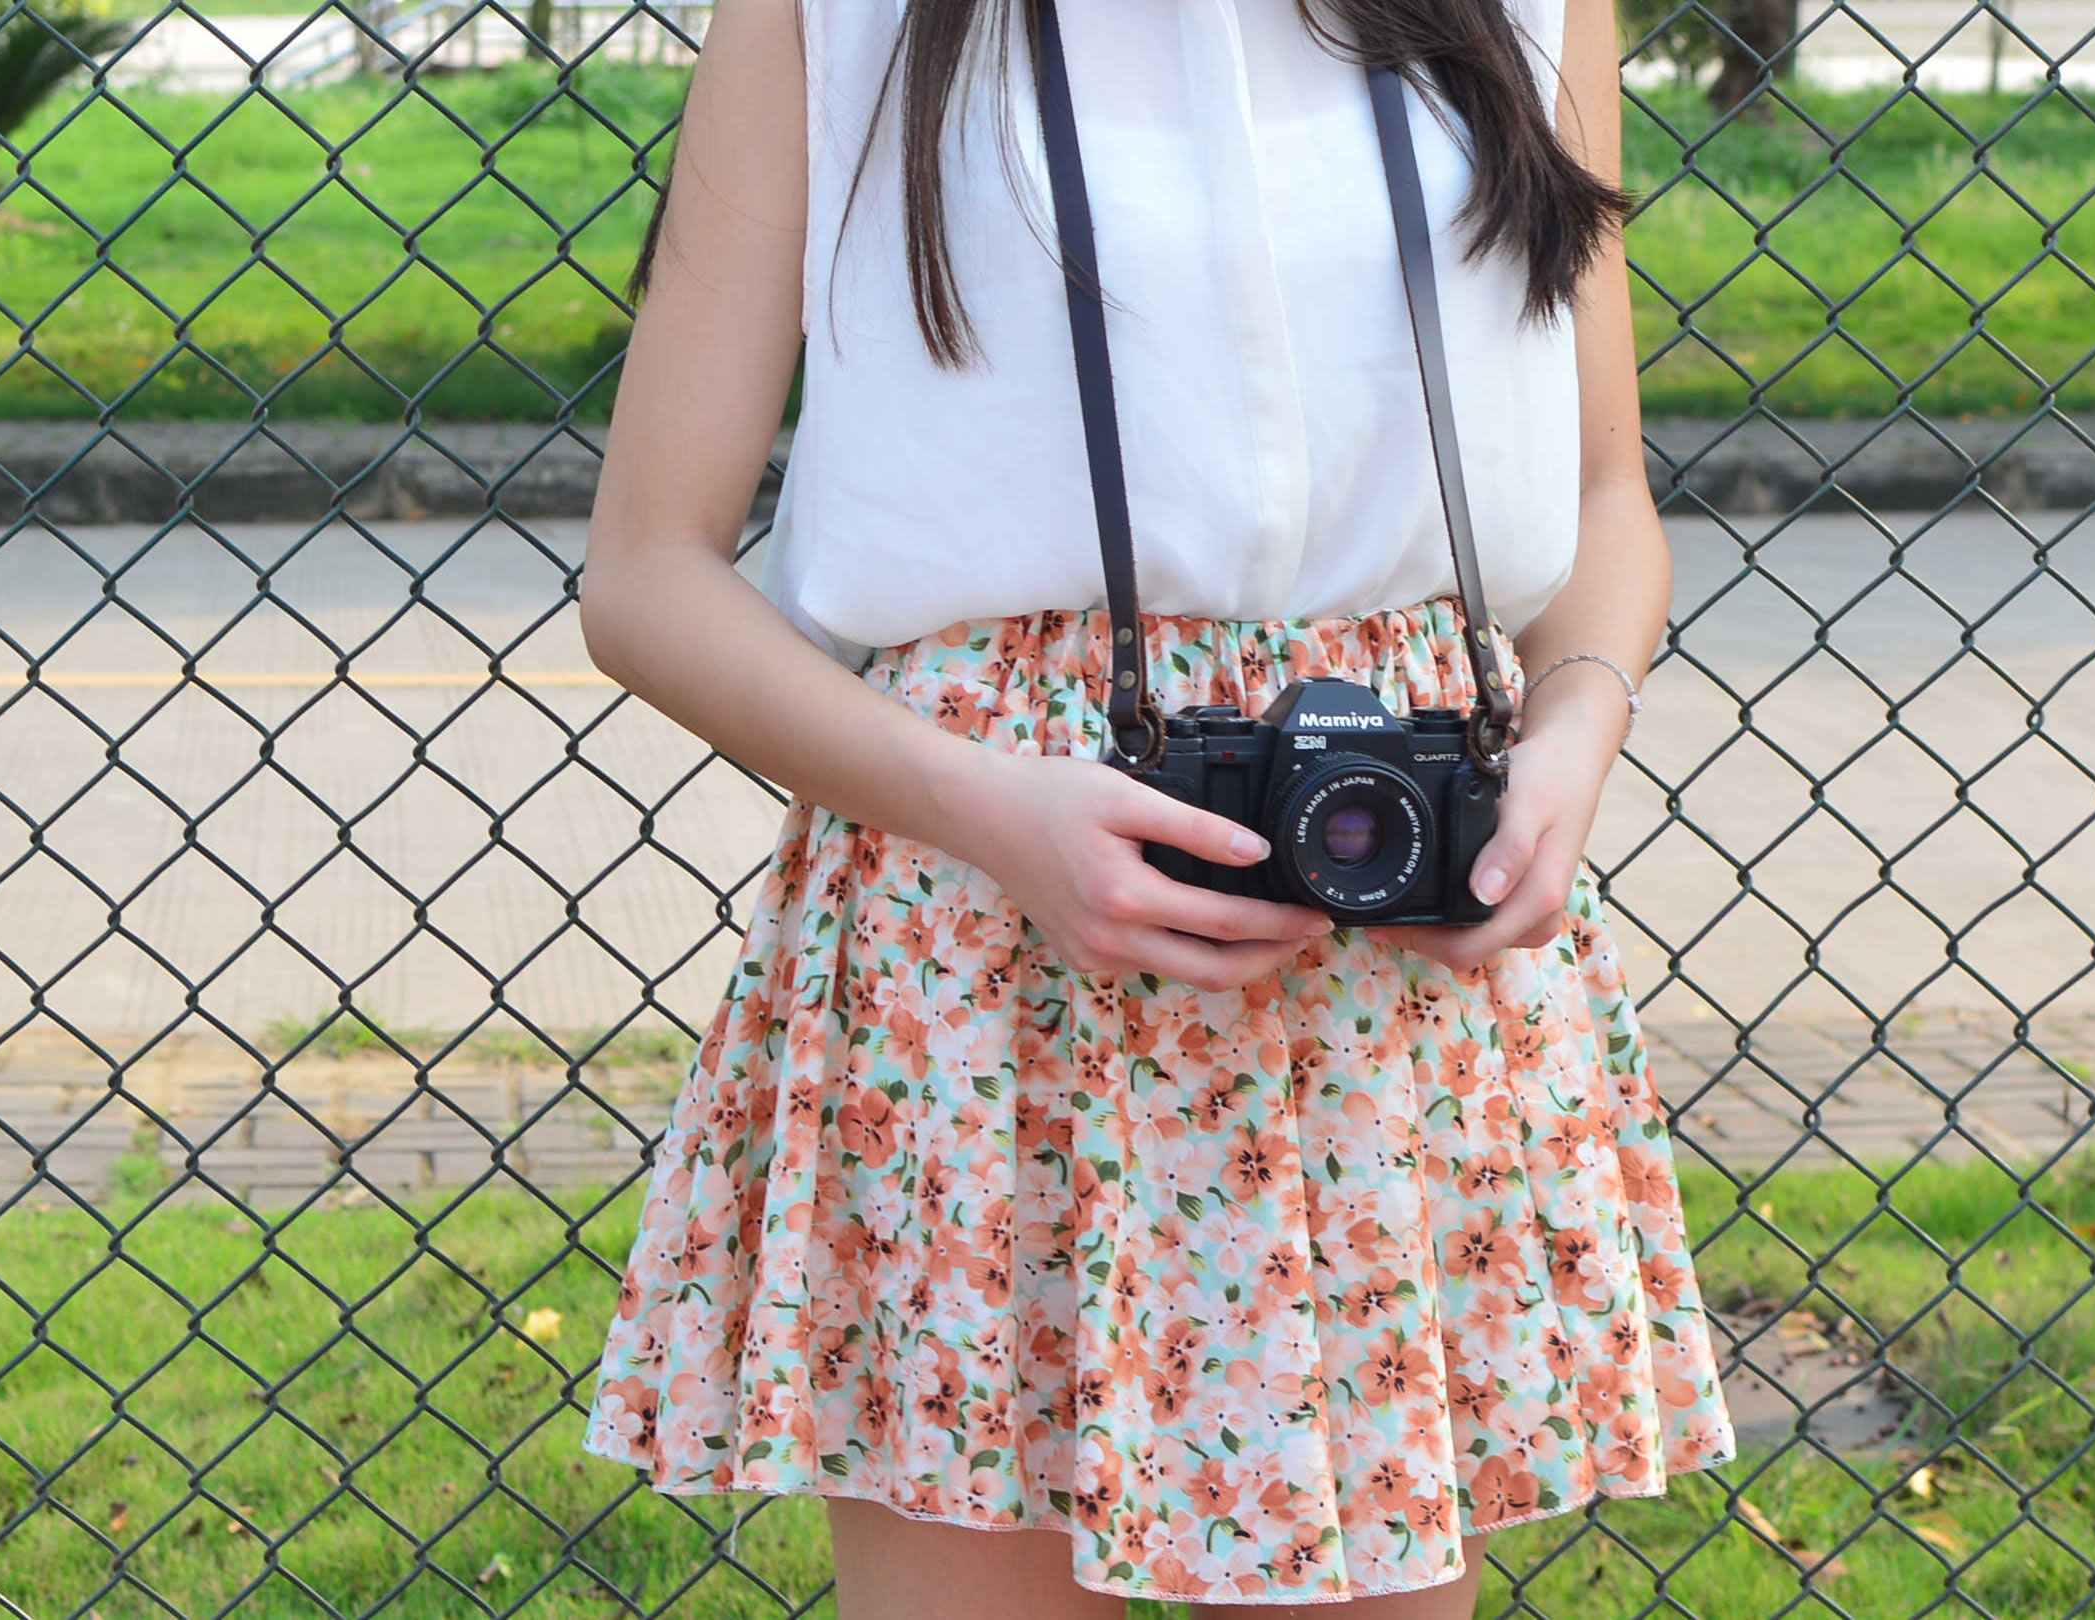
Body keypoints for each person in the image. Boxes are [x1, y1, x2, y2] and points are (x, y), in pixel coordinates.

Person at [566, 0, 1742, 1608]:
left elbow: (1610, 500)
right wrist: (991, 812)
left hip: (1389, 957)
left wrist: (1572, 730)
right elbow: (643, 573)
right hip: (984, 942)